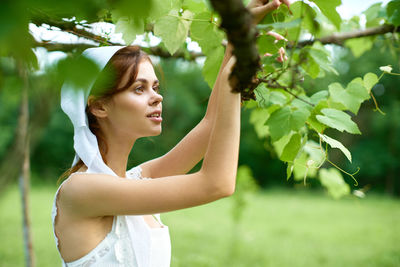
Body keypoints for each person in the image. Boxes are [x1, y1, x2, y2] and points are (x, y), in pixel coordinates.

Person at [51, 1, 290, 266]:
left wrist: (240, 35)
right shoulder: (82, 189)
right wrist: (235, 74)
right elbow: (216, 183)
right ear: (99, 106)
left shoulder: (139, 179)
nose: (157, 97)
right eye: (139, 89)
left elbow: (212, 124)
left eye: (155, 86)